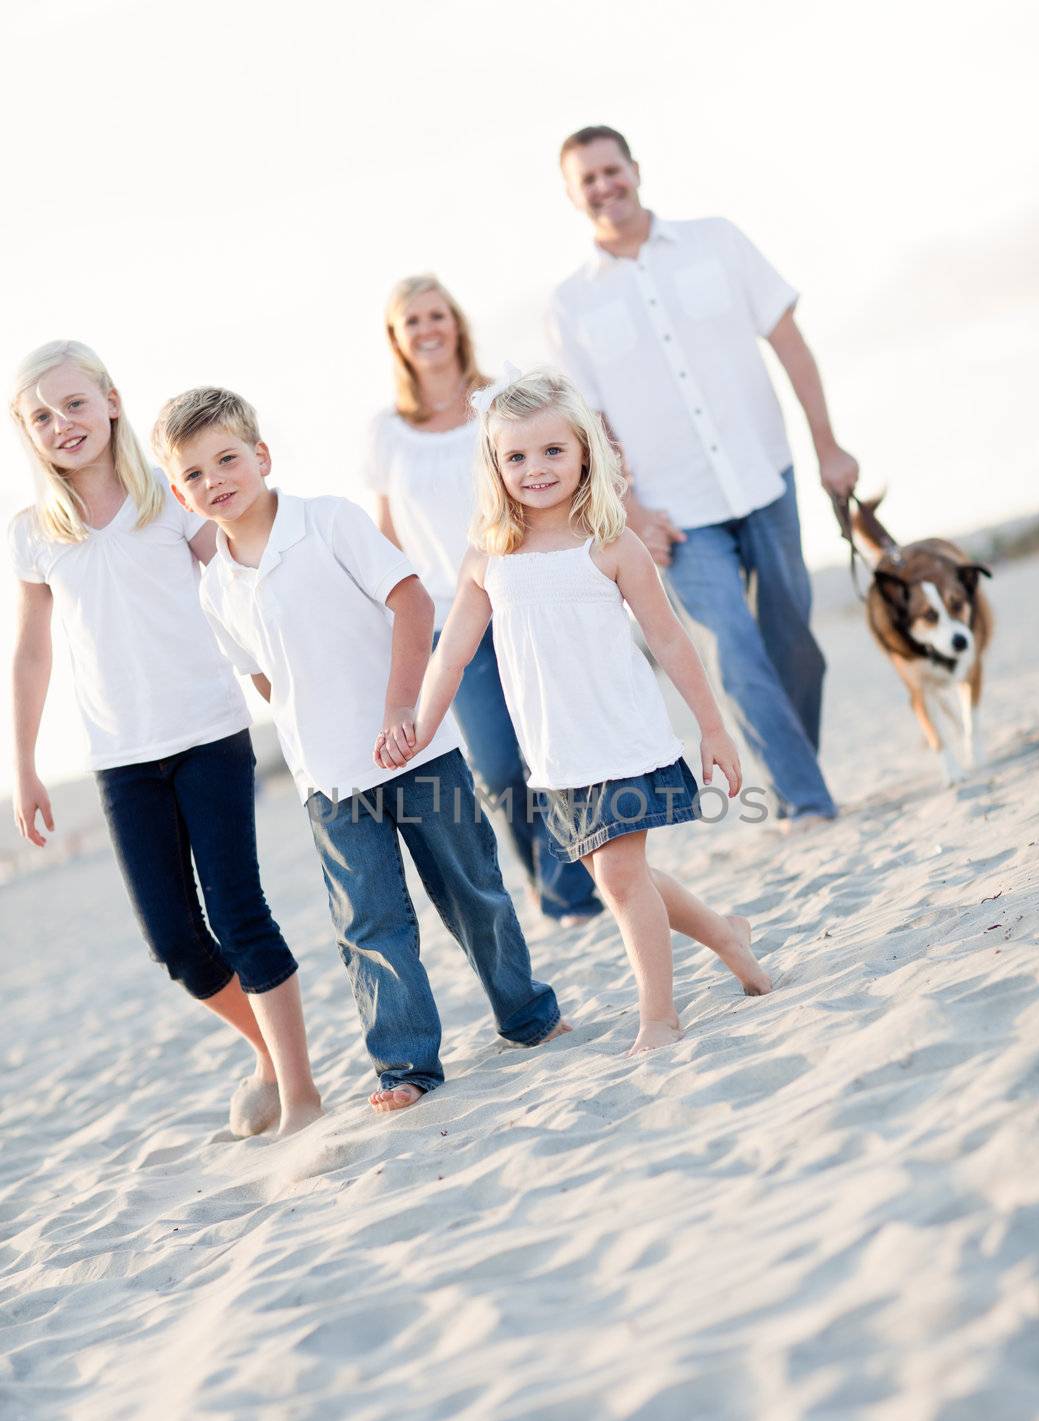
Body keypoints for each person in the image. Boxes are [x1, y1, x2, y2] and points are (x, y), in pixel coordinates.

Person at [152, 386, 567, 1115]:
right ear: (181, 492)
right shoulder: (216, 586)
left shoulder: (326, 522)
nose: (213, 479)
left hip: (420, 751)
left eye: (226, 459)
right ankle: (405, 1066)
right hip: (331, 781)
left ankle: (526, 1015)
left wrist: (400, 706)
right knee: (370, 926)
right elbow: (262, 677)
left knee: (473, 894)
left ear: (261, 456)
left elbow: (412, 602)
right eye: (192, 474)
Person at [378, 370, 772, 1056]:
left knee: (619, 880)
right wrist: (420, 721)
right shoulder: (488, 557)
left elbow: (670, 639)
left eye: (552, 451)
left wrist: (712, 728)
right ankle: (726, 935)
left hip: (621, 738)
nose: (535, 469)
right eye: (516, 457)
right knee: (621, 879)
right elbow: (453, 654)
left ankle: (659, 1016)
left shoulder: (609, 545)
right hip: (555, 754)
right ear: (493, 467)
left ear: (584, 453)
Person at [8, 341, 322, 1139]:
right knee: (177, 943)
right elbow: (34, 650)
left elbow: (240, 585)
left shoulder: (171, 498)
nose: (62, 423)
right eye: (40, 416)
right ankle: (269, 1052)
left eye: (74, 403)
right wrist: (26, 767)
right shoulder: (36, 531)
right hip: (120, 757)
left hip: (210, 732)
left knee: (240, 915)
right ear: (26, 432)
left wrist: (287, 688)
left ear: (111, 401)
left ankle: (301, 1095)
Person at [548, 125, 860, 828]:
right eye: (586, 180)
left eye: (610, 170)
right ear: (572, 196)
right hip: (676, 513)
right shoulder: (569, 303)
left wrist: (827, 448)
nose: (603, 187)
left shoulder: (717, 240)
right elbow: (588, 424)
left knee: (795, 649)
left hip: (764, 478)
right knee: (735, 653)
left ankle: (789, 772)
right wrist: (631, 512)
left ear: (634, 169)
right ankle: (808, 802)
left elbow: (789, 343)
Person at [365, 274, 602, 923]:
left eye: (437, 314)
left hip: (525, 596)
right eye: (412, 321)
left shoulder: (498, 399)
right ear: (396, 338)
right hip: (449, 618)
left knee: (546, 746)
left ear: (456, 322)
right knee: (497, 767)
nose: (428, 329)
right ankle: (543, 875)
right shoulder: (386, 432)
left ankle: (569, 892)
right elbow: (386, 535)